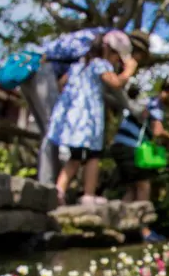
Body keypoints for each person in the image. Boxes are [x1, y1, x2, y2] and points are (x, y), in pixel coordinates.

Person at [32, 29, 151, 187]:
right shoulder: (102, 54)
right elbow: (115, 88)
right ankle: (47, 187)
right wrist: (129, 72)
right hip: (44, 69)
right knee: (52, 132)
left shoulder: (98, 49)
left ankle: (54, 187)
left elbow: (97, 90)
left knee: (61, 140)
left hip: (50, 75)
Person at [48, 30, 138, 206]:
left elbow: (61, 84)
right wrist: (129, 71)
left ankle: (59, 191)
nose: (115, 63)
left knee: (75, 158)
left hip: (74, 120)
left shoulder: (79, 64)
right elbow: (116, 83)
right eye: (116, 58)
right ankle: (88, 195)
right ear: (109, 51)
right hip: (86, 121)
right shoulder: (99, 65)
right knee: (93, 156)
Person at [108, 70, 169, 242]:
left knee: (133, 188)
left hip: (121, 145)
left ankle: (118, 224)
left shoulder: (150, 102)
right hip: (130, 146)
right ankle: (143, 229)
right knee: (144, 185)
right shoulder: (155, 104)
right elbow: (157, 130)